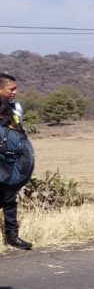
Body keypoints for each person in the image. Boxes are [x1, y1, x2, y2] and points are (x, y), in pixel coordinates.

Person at [0, 102, 32, 250]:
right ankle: (12, 237)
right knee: (9, 203)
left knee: (9, 202)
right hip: (7, 173)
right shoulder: (12, 131)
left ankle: (12, 237)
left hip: (6, 171)